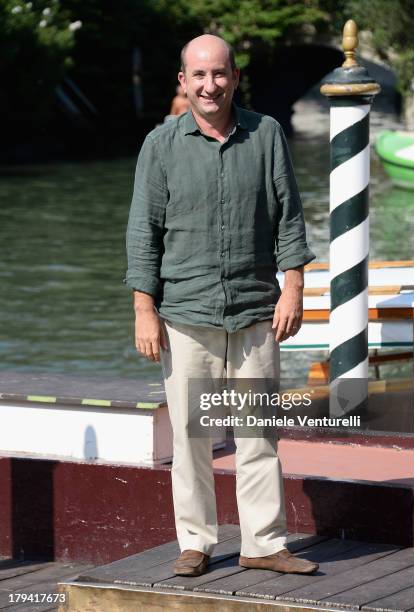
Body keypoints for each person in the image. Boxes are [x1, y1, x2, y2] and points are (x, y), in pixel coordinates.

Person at [124, 34, 318, 577]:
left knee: (258, 435)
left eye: (219, 74)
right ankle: (196, 542)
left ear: (234, 77)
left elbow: (289, 216)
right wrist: (144, 308)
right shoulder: (160, 146)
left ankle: (263, 544)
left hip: (256, 310)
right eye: (198, 76)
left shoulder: (267, 134)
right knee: (191, 437)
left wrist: (294, 285)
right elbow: (144, 231)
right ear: (183, 83)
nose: (210, 85)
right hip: (185, 315)